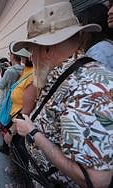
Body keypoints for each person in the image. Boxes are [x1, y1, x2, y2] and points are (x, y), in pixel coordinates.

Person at [13, 2, 113, 187]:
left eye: (32, 51)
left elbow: (95, 181)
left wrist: (33, 132)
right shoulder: (69, 74)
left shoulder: (88, 89)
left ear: (48, 50)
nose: (31, 58)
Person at [77, 3, 113, 70]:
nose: (78, 31)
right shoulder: (105, 45)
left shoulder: (97, 50)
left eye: (81, 25)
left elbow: (101, 79)